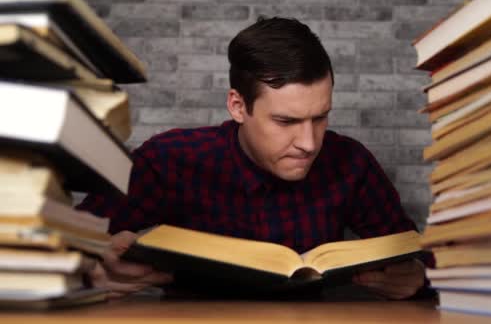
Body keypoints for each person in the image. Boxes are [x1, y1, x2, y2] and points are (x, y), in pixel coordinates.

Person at [78, 16, 426, 300]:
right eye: (286, 121)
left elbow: (417, 256)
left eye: (320, 117)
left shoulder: (349, 162)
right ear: (238, 106)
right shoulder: (169, 160)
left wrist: (418, 278)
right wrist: (90, 270)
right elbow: (62, 241)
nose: (308, 143)